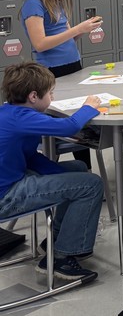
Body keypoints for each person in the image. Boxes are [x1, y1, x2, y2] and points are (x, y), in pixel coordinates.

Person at [0, 63, 104, 283]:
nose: (53, 97)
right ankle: (62, 257)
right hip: (6, 196)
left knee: (77, 170)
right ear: (34, 96)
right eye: (50, 93)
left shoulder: (9, 112)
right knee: (92, 184)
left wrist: (61, 176)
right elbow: (69, 127)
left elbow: (30, 157)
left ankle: (56, 240)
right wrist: (89, 106)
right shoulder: (23, 118)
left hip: (13, 180)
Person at [21, 0, 102, 77]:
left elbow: (68, 37)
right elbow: (40, 44)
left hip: (73, 62)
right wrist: (78, 29)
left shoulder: (57, 2)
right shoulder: (33, 4)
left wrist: (85, 28)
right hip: (53, 68)